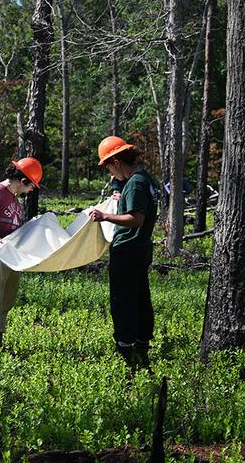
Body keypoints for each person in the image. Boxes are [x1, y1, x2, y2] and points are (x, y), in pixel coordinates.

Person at [89, 136, 158, 369]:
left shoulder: (136, 184)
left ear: (117, 161)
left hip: (127, 250)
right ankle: (141, 345)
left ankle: (125, 351)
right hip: (139, 250)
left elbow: (136, 219)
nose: (109, 172)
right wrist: (119, 192)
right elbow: (132, 200)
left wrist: (104, 215)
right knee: (139, 299)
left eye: (108, 166)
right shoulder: (142, 178)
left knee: (123, 302)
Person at [0, 157, 43, 356]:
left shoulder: (13, 199)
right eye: (31, 186)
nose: (30, 190)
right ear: (23, 181)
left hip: (9, 257)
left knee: (6, 299)